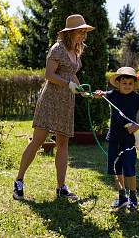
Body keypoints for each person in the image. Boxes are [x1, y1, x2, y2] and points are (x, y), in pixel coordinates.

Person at [13, 14, 95, 200]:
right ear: (70, 32)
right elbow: (49, 74)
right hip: (50, 99)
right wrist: (68, 84)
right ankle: (18, 181)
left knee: (63, 143)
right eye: (80, 31)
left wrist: (84, 91)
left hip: (66, 101)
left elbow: (72, 76)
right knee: (38, 140)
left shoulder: (76, 51)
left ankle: (61, 188)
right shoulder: (57, 48)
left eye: (84, 31)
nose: (83, 35)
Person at [94, 67, 139, 209]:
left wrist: (136, 126)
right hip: (114, 139)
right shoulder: (113, 95)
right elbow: (101, 94)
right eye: (124, 83)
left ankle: (133, 197)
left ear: (134, 84)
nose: (127, 86)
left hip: (128, 140)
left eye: (130, 83)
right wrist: (98, 94)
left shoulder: (137, 98)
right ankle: (122, 196)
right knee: (116, 169)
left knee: (129, 169)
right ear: (118, 83)